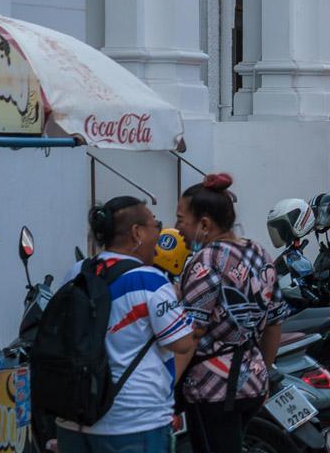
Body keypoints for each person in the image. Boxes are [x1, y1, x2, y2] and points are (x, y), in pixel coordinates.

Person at [59, 197, 198, 453]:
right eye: (156, 225)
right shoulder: (150, 280)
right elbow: (183, 342)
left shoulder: (78, 272)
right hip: (133, 422)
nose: (159, 233)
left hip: (75, 417)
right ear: (137, 233)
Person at [174, 174, 286, 453]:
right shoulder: (259, 253)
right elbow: (274, 324)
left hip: (212, 388)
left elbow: (192, 333)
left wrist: (165, 386)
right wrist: (264, 373)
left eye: (181, 219)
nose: (177, 228)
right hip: (252, 384)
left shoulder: (207, 260)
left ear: (204, 224)